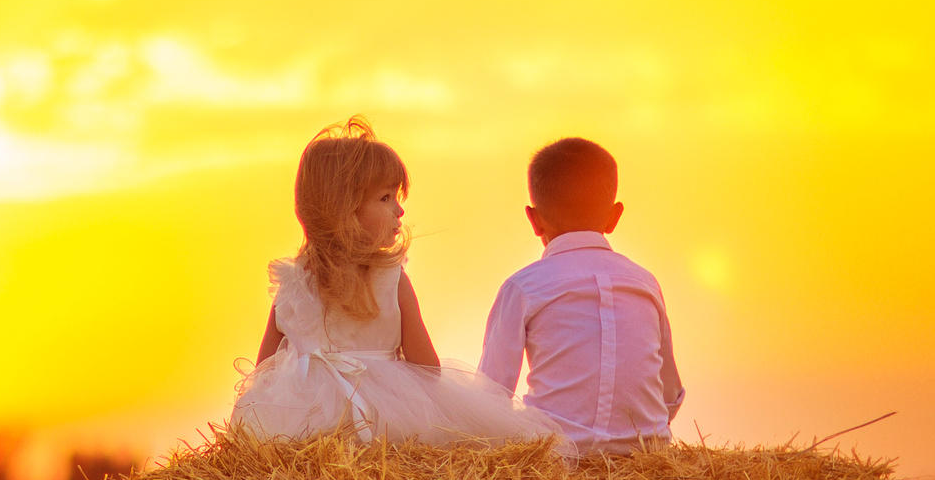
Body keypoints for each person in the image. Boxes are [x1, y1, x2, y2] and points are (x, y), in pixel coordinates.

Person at [231, 119, 559, 446]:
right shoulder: (392, 279)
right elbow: (427, 367)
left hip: (299, 417)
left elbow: (264, 370)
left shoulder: (293, 282)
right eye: (386, 198)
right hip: (384, 418)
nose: (399, 211)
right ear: (343, 208)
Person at [477, 136, 683, 456]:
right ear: (615, 217)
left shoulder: (523, 287)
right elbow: (670, 392)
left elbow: (490, 397)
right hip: (645, 452)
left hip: (555, 451)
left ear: (534, 219)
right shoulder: (645, 283)